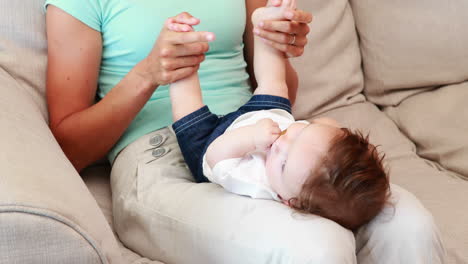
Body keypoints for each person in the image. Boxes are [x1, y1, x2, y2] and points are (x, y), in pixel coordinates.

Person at [44, 0, 445, 263]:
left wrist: (280, 42)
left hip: (264, 136)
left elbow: (273, 82)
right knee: (317, 248)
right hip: (158, 155)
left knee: (409, 226)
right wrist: (151, 74)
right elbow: (70, 146)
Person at [168, 0, 390, 231]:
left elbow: (217, 154)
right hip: (263, 119)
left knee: (187, 110)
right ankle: (265, 27)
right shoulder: (298, 159)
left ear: (289, 201)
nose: (281, 143)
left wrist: (253, 138)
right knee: (274, 84)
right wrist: (328, 135)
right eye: (300, 134)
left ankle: (182, 53)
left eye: (283, 163)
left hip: (216, 144)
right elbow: (326, 129)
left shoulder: (256, 182)